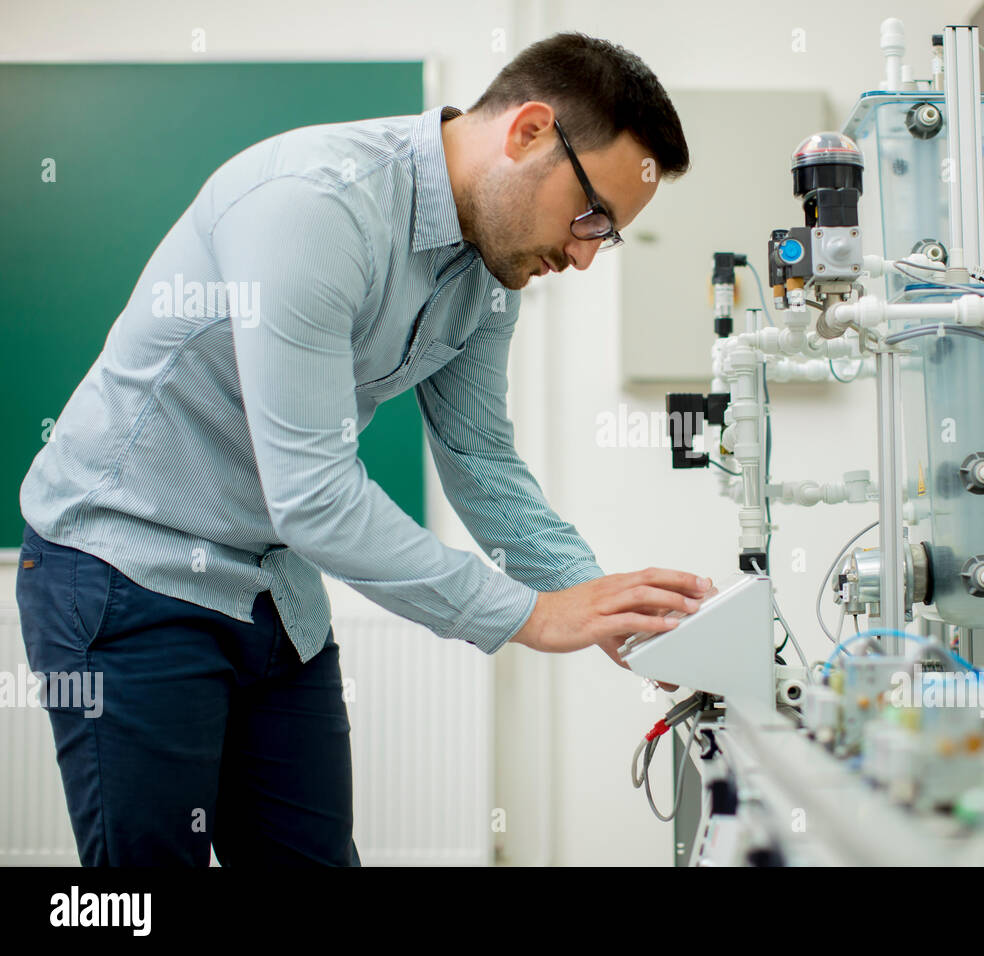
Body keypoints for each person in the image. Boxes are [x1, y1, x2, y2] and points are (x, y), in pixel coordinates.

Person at [16, 31, 710, 866]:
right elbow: (312, 496)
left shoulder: (493, 268)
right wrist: (528, 615)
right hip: (124, 568)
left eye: (610, 236)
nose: (587, 255)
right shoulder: (314, 206)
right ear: (529, 131)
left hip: (273, 590)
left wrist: (598, 601)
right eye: (591, 216)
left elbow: (480, 457)